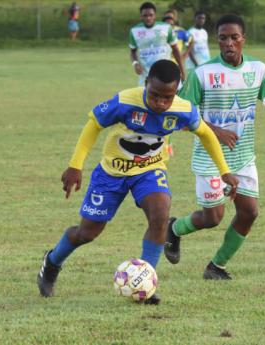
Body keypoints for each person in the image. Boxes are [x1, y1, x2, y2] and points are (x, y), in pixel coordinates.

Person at [36, 60, 239, 305]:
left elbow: (206, 133)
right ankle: (52, 261)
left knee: (160, 214)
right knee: (87, 232)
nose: (161, 103)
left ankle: (145, 284)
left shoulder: (183, 109)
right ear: (146, 84)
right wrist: (75, 165)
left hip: (149, 170)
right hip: (112, 173)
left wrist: (224, 171)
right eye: (155, 96)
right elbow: (94, 125)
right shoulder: (125, 101)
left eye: (168, 97)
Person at [164, 14, 265, 280]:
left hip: (243, 156)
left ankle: (216, 266)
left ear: (243, 39)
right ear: (217, 41)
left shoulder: (258, 69)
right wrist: (216, 132)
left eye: (234, 37)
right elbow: (182, 115)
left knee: (249, 212)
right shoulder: (202, 74)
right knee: (213, 218)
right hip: (210, 158)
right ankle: (174, 228)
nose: (229, 43)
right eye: (223, 38)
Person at [129, 2, 186, 87]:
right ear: (141, 16)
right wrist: (135, 63)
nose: (148, 18)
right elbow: (132, 51)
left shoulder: (166, 28)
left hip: (167, 73)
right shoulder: (135, 31)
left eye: (151, 15)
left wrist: (182, 70)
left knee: (173, 98)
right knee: (145, 99)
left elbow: (175, 49)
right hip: (146, 76)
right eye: (145, 15)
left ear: (155, 15)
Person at [162, 13, 193, 157]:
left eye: (171, 20)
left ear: (174, 21)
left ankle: (181, 125)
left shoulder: (181, 31)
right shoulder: (161, 33)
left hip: (177, 70)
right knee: (165, 108)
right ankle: (167, 144)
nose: (169, 23)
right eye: (166, 21)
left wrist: (184, 55)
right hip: (164, 70)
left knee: (173, 106)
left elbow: (191, 41)